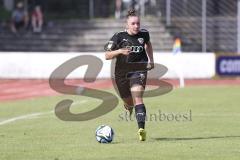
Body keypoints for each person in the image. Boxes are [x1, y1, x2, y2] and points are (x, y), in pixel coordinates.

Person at [104, 9, 154, 141]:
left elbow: (148, 44)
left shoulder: (144, 34)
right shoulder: (118, 37)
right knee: (128, 101)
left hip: (139, 69)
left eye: (138, 23)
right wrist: (119, 51)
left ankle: (141, 129)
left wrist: (151, 59)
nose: (136, 26)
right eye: (133, 24)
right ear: (127, 25)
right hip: (121, 73)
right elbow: (107, 55)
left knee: (138, 97)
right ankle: (128, 106)